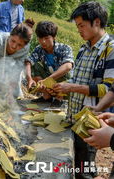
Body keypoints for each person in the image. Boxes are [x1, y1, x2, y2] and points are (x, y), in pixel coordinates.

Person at [53, 2, 114, 178]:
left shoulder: (110, 48)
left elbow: (107, 89)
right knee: (78, 158)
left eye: (81, 25)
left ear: (96, 22)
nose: (79, 30)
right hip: (74, 116)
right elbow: (78, 79)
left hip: (91, 119)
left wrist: (71, 87)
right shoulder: (83, 49)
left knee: (85, 163)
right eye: (77, 26)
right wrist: (63, 88)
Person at [25, 21, 74, 104]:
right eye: (40, 38)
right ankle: (46, 96)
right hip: (50, 84)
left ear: (54, 37)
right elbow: (28, 62)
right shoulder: (39, 49)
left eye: (46, 38)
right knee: (34, 65)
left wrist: (48, 79)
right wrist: (29, 79)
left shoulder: (64, 48)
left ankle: (59, 98)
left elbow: (68, 66)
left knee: (64, 70)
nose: (43, 41)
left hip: (65, 84)